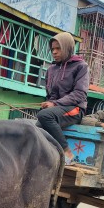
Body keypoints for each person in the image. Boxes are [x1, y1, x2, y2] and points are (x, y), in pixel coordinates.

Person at [36, 32, 89, 165]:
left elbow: (80, 94)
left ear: (67, 47)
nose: (54, 52)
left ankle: (67, 152)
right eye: (52, 49)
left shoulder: (81, 66)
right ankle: (46, 157)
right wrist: (49, 102)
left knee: (45, 116)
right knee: (38, 126)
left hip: (75, 108)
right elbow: (51, 93)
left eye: (58, 48)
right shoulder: (51, 69)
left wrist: (55, 103)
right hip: (58, 107)